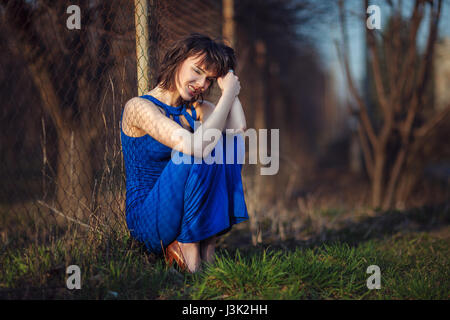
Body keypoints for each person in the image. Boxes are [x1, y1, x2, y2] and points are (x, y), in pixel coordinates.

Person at [120, 33, 249, 273]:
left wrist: (229, 85)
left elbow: (237, 129)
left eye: (209, 79)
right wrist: (229, 95)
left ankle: (207, 245)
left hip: (183, 212)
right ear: (177, 61)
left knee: (228, 145)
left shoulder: (196, 109)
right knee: (195, 148)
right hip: (148, 220)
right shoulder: (139, 107)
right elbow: (195, 148)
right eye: (198, 71)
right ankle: (188, 245)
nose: (202, 84)